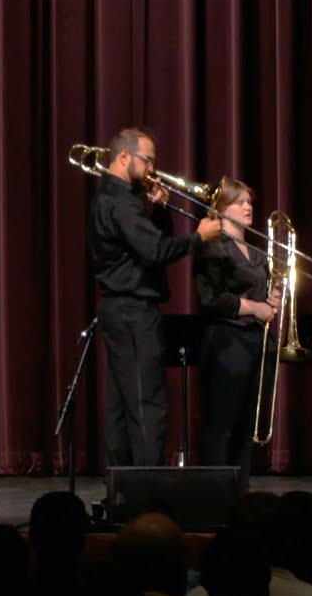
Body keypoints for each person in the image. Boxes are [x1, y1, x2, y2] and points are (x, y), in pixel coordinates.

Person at [87, 127, 222, 467]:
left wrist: (161, 210)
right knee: (148, 401)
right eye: (147, 160)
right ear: (123, 157)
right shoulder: (119, 202)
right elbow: (157, 251)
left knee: (122, 404)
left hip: (122, 308)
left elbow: (151, 244)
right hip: (132, 309)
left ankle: (120, 488)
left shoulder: (122, 199)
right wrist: (199, 237)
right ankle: (147, 489)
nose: (152, 169)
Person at [193, 178, 283, 493]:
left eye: (249, 202)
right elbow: (212, 299)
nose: (248, 207)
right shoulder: (213, 247)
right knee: (223, 423)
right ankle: (216, 494)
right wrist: (255, 308)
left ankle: (240, 490)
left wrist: (270, 300)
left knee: (248, 424)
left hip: (257, 343)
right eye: (240, 202)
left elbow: (260, 295)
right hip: (227, 342)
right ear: (221, 208)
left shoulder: (257, 251)